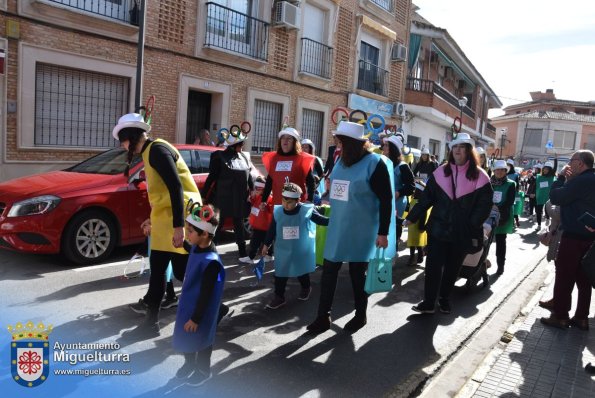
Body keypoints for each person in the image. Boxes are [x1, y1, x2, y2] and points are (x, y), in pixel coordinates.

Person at [113, 113, 201, 336]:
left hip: (179, 219)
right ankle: (150, 323)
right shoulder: (150, 151)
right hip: (167, 219)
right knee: (158, 270)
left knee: (182, 271)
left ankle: (213, 308)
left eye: (122, 141)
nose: (122, 146)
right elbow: (163, 193)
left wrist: (179, 227)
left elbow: (176, 187)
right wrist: (152, 219)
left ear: (130, 137)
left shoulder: (157, 150)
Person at [306, 121, 394, 334]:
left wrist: (383, 232)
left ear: (354, 144)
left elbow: (386, 199)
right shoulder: (340, 162)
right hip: (338, 226)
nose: (338, 146)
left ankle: (360, 315)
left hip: (362, 230)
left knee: (357, 274)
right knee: (329, 271)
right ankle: (323, 317)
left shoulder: (375, 163)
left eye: (342, 143)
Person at [404, 133, 493, 314]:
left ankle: (444, 299)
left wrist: (470, 225)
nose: (458, 150)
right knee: (433, 267)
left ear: (469, 151)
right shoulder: (439, 172)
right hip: (438, 230)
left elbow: (484, 206)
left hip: (462, 233)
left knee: (452, 269)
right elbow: (425, 200)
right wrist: (411, 217)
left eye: (462, 146)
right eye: (455, 146)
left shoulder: (481, 176)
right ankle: (429, 302)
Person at [540, 150, 595, 331]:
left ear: (580, 163)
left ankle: (560, 316)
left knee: (564, 278)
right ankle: (581, 318)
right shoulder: (589, 179)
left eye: (572, 160)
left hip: (573, 238)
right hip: (589, 238)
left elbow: (555, 196)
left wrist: (561, 178)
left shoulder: (581, 180)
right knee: (584, 280)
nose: (569, 164)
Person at [173, 205, 225, 386]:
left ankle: (203, 370)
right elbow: (194, 251)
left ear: (204, 234)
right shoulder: (198, 245)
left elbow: (206, 295)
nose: (187, 234)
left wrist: (196, 318)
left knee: (203, 339)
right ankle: (189, 363)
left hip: (202, 309)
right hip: (189, 302)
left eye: (190, 231)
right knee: (186, 335)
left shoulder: (211, 262)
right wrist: (184, 245)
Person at [261, 182, 329, 309]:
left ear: (298, 200)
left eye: (290, 202)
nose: (286, 205)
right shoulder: (278, 212)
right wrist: (266, 245)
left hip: (300, 250)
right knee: (280, 273)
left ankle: (306, 287)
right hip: (283, 250)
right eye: (284, 201)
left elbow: (321, 220)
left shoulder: (306, 211)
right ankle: (279, 297)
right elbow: (272, 230)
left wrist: (336, 220)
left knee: (301, 272)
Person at [203, 133, 254, 261]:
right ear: (234, 145)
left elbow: (249, 176)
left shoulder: (243, 157)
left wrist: (252, 190)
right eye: (241, 144)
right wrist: (203, 195)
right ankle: (208, 251)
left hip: (239, 197)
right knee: (217, 225)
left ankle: (242, 253)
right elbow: (211, 177)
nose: (243, 146)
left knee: (238, 224)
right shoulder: (219, 157)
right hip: (223, 197)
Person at [261, 127, 315, 206]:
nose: (285, 140)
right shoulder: (274, 159)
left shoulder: (302, 159)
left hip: (296, 207)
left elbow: (311, 181)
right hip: (277, 206)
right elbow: (270, 181)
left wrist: (310, 199)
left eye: (289, 138)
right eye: (283, 138)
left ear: (295, 142)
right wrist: (264, 200)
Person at [382, 135, 415, 241]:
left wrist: (399, 193)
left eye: (387, 145)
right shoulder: (383, 162)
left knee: (393, 229)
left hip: (397, 203)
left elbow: (411, 187)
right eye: (384, 145)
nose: (384, 147)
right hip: (383, 201)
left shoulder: (403, 166)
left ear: (393, 149)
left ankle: (393, 249)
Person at [490, 160, 516, 275]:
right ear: (494, 171)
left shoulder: (511, 184)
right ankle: (481, 264)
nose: (499, 172)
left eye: (502, 170)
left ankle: (500, 266)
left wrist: (497, 208)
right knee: (485, 240)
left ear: (506, 171)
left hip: (503, 215)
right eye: (497, 169)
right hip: (488, 214)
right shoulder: (488, 182)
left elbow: (510, 201)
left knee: (500, 241)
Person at [246, 176, 274, 263]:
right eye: (256, 188)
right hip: (257, 225)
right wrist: (251, 198)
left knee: (268, 242)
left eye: (259, 189)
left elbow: (271, 209)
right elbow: (253, 203)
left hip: (265, 226)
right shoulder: (256, 196)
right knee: (254, 242)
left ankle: (269, 255)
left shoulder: (268, 198)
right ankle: (251, 257)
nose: (257, 190)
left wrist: (266, 207)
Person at [407, 180, 430, 266]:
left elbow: (423, 215)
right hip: (411, 226)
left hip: (417, 226)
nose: (413, 192)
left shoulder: (421, 203)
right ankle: (412, 256)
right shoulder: (413, 200)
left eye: (415, 190)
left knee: (418, 243)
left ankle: (419, 256)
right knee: (412, 243)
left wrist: (422, 226)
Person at [535, 160, 557, 230]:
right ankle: (539, 225)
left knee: (547, 209)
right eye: (544, 169)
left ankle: (547, 218)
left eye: (547, 169)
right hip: (539, 197)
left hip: (548, 197)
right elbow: (534, 185)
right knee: (538, 211)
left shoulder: (551, 177)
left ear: (550, 170)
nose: (545, 170)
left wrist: (555, 159)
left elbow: (555, 169)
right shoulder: (539, 177)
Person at [301, 138, 325, 203]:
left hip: (310, 188)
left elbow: (322, 174)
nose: (304, 149)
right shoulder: (298, 159)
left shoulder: (314, 159)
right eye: (302, 147)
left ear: (310, 149)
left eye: (306, 147)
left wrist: (316, 180)